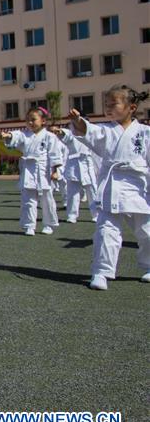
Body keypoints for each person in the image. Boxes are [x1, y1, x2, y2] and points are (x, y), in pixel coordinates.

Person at [67, 87, 150, 290]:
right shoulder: (106, 129)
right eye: (107, 105)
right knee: (106, 232)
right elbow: (89, 131)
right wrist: (79, 122)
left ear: (132, 107)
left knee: (147, 231)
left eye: (114, 104)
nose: (109, 108)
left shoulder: (145, 133)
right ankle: (101, 272)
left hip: (138, 187)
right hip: (112, 186)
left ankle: (149, 265)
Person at [1, 107, 63, 236]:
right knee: (28, 200)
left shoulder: (50, 136)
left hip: (43, 170)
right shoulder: (24, 134)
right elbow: (16, 136)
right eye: (28, 120)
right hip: (28, 170)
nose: (30, 123)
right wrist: (9, 135)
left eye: (33, 120)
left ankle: (48, 224)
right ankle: (29, 225)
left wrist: (55, 171)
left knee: (46, 199)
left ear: (43, 121)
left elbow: (54, 155)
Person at [52, 125, 98, 223]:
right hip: (74, 164)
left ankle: (96, 214)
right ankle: (72, 215)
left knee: (92, 191)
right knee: (73, 192)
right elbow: (65, 134)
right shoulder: (71, 134)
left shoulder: (90, 134)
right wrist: (60, 131)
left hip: (87, 163)